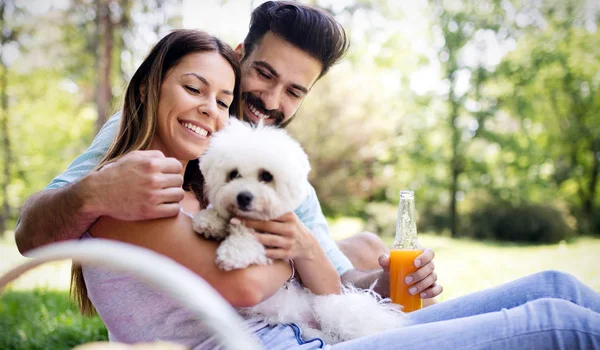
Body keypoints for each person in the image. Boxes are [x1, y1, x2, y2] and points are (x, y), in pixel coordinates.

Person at [76, 28, 600, 350]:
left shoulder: (201, 178)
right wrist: (296, 245)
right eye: (193, 90)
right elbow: (245, 286)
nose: (211, 111)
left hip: (312, 334)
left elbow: (331, 281)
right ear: (148, 87)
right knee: (557, 330)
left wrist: (317, 250)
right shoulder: (127, 191)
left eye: (222, 99)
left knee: (555, 285)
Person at [14, 1, 442, 305]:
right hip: (195, 329)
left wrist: (386, 284)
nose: (271, 101)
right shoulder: (159, 127)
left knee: (368, 249)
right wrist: (95, 192)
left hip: (276, 322)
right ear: (240, 56)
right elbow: (29, 235)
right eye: (264, 73)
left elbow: (334, 282)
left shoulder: (279, 165)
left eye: (294, 91)